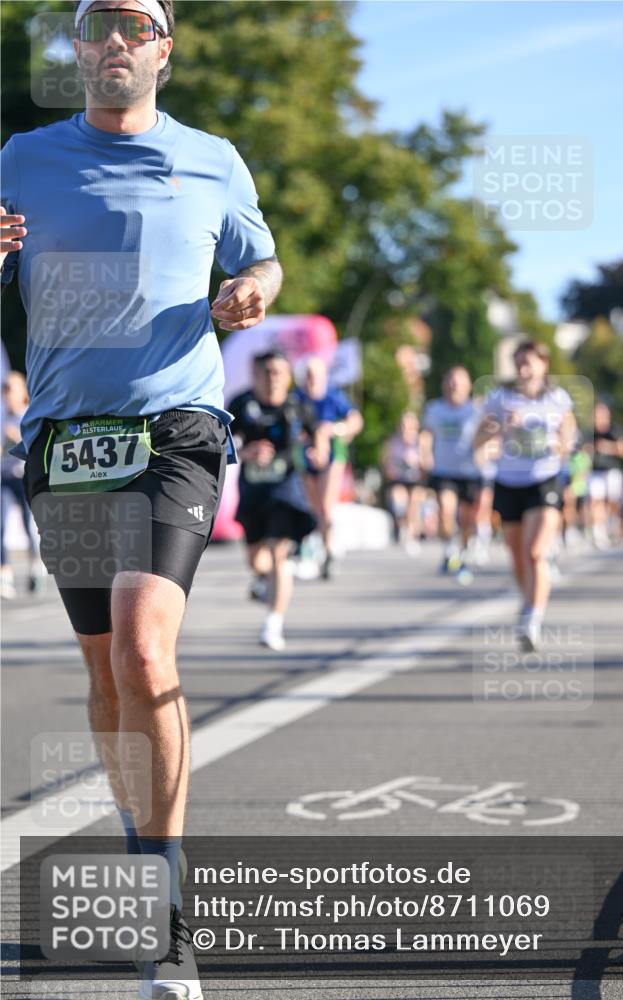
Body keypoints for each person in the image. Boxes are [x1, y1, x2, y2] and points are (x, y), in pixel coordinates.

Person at [1, 2, 282, 997]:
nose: (115, 39)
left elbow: (263, 257)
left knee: (140, 644)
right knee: (104, 668)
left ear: (163, 47)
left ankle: (163, 909)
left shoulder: (213, 156)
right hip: (65, 437)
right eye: (97, 24)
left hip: (178, 428)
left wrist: (255, 287)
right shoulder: (22, 157)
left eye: (136, 23)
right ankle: (141, 836)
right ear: (77, 50)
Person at [474, 341, 577, 651]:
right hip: (508, 481)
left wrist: (544, 439)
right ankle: (528, 599)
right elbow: (478, 438)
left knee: (535, 552)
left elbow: (566, 444)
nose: (523, 368)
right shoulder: (499, 398)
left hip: (543, 480)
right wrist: (499, 428)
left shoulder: (558, 399)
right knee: (518, 556)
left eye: (529, 362)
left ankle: (533, 617)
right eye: (518, 362)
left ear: (544, 365)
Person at [228, 351, 327, 651]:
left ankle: (273, 623)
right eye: (267, 372)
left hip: (286, 491)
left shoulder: (297, 406)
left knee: (278, 554)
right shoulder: (241, 404)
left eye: (279, 372)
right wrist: (247, 453)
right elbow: (221, 443)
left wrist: (319, 451)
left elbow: (318, 431)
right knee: (256, 558)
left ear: (288, 376)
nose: (274, 378)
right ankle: (261, 580)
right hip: (253, 491)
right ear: (255, 374)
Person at [295, 356, 363, 579]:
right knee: (312, 507)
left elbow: (355, 422)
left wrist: (334, 430)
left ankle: (329, 549)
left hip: (333, 455)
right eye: (308, 375)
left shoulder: (334, 397)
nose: (312, 380)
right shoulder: (297, 399)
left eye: (316, 375)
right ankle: (315, 546)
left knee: (325, 506)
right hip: (306, 456)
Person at [421, 366, 482, 583]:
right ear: (444, 384)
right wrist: (425, 454)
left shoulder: (475, 410)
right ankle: (450, 550)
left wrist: (485, 451)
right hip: (443, 470)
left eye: (459, 381)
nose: (454, 385)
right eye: (451, 381)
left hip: (470, 471)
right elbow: (427, 434)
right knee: (446, 511)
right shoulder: (435, 409)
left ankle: (463, 549)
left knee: (467, 520)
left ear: (468, 386)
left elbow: (485, 436)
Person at [1, 371, 45, 597]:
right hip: (4, 478)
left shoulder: (28, 416)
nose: (6, 395)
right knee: (1, 526)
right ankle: (5, 575)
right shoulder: (2, 418)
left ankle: (35, 568)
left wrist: (16, 436)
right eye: (4, 390)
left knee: (30, 527)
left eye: (10, 389)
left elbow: (35, 447)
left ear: (21, 392)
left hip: (24, 478)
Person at [586, 400, 623, 548]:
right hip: (595, 471)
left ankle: (612, 525)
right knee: (596, 501)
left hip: (612, 470)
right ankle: (599, 532)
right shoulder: (590, 432)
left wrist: (607, 447)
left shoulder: (614, 430)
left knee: (612, 502)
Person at [381, 411, 426, 555]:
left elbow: (427, 462)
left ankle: (412, 536)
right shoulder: (393, 441)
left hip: (416, 479)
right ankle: (402, 527)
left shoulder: (421, 441)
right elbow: (385, 460)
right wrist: (390, 468)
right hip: (398, 479)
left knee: (414, 506)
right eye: (403, 425)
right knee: (398, 500)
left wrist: (417, 463)